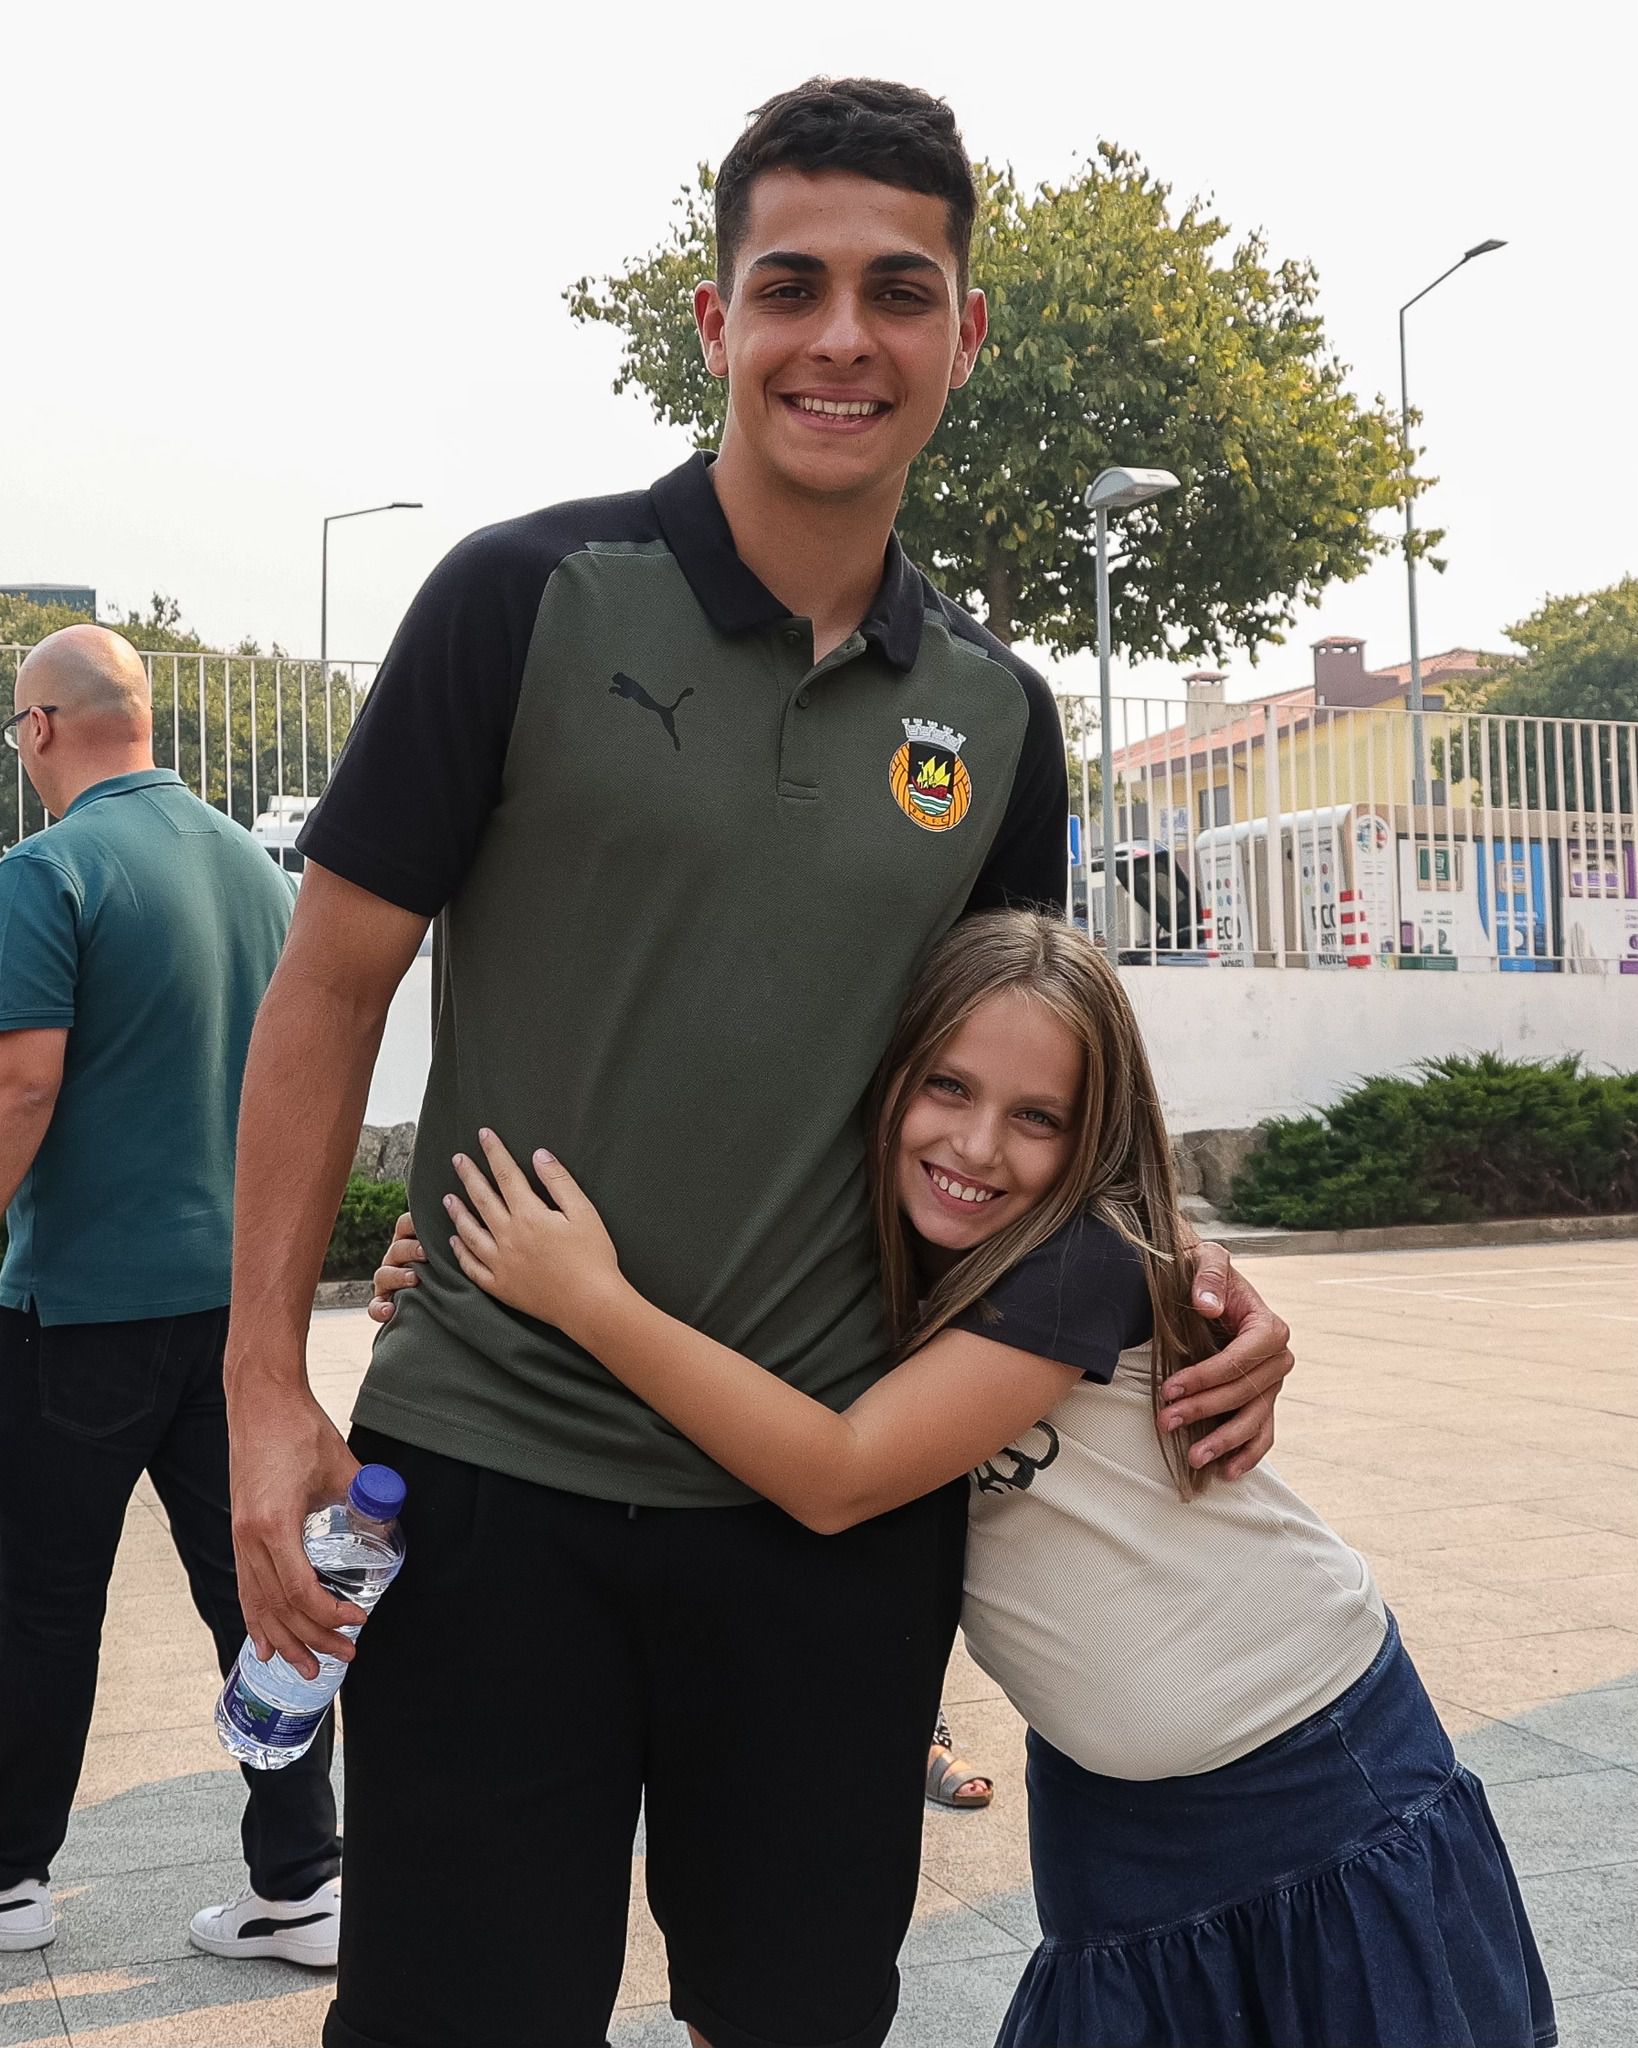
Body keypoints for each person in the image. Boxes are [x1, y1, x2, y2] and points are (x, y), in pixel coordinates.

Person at [225, 79, 1300, 2048]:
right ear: (716, 321)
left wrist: (1179, 1274)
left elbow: (1021, 1096)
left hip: (827, 1523)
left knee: (797, 2017)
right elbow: (325, 991)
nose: (841, 338)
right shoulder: (521, 600)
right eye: (791, 286)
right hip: (489, 1480)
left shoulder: (998, 715)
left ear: (965, 334)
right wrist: (260, 1383)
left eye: (899, 291)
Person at [406, 909, 1555, 2048]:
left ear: (1095, 1133)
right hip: (1110, 1824)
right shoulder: (872, 1270)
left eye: (1037, 1116)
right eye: (946, 1086)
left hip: (1317, 1775)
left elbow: (839, 1474)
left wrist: (587, 1299)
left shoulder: (1078, 1265)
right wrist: (475, 1277)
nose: (978, 1145)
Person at [0, 626, 342, 1965]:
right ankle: (301, 1879)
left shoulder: (46, 870)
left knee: (38, 1601)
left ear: (40, 729)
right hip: (237, 1313)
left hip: (78, 1308)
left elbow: (22, 1083)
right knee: (259, 1593)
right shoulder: (257, 872)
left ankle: (11, 1878)